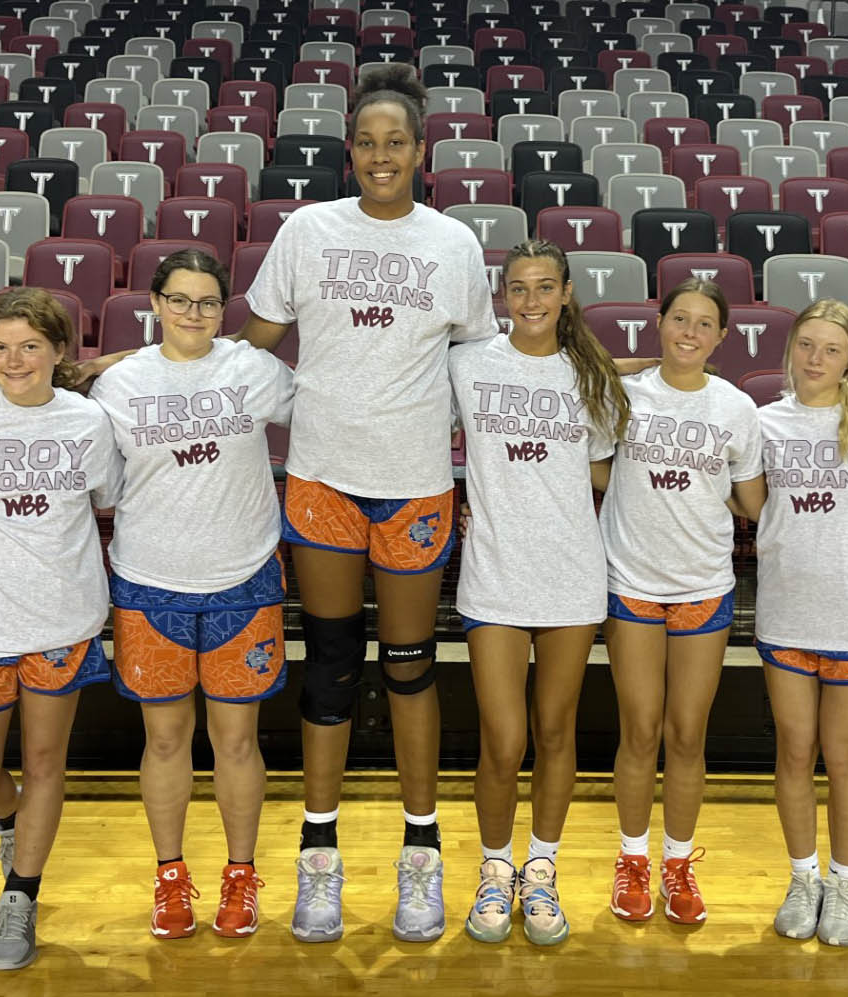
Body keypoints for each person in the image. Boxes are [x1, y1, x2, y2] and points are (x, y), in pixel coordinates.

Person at [242, 63, 500, 943]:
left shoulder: (453, 245)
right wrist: (135, 368)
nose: (380, 155)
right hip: (323, 477)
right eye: (366, 142)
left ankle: (421, 855)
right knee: (330, 667)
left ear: (421, 152)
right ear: (348, 152)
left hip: (415, 480)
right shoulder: (308, 231)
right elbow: (250, 346)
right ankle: (319, 858)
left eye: (396, 142)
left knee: (410, 667)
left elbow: (483, 365)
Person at [89, 249, 294, 940]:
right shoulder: (119, 385)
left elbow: (327, 409)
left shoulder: (253, 370)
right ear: (155, 303)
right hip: (149, 580)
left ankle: (240, 874)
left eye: (207, 302)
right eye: (179, 299)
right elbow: (99, 479)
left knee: (236, 741)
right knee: (166, 739)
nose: (193, 313)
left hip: (244, 578)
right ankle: (170, 876)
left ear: (222, 308)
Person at [451, 240, 627, 946]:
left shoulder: (591, 376)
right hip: (494, 572)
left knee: (556, 731)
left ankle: (542, 870)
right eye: (518, 287)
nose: (531, 300)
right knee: (503, 739)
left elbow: (607, 473)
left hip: (571, 573)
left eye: (544, 286)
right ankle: (496, 870)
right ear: (503, 295)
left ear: (566, 292)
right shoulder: (468, 363)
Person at [0, 288, 121, 971]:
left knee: (46, 762)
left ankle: (20, 895)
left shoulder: (86, 421)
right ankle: (12, 820)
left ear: (57, 350)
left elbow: (105, 499)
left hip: (62, 617)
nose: (14, 360)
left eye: (29, 346)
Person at [600, 278, 765, 927]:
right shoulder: (626, 393)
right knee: (640, 729)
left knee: (687, 734)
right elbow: (573, 368)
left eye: (703, 324)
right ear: (659, 322)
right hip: (633, 581)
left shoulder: (735, 407)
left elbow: (752, 501)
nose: (690, 332)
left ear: (722, 336)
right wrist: (642, 365)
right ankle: (632, 859)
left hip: (703, 584)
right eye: (679, 319)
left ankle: (677, 864)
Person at [750, 300, 848, 947]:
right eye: (806, 344)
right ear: (790, 348)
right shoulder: (762, 422)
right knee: (793, 750)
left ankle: (844, 884)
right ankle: (803, 878)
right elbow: (755, 505)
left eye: (831, 348)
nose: (816, 358)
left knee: (844, 757)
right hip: (787, 612)